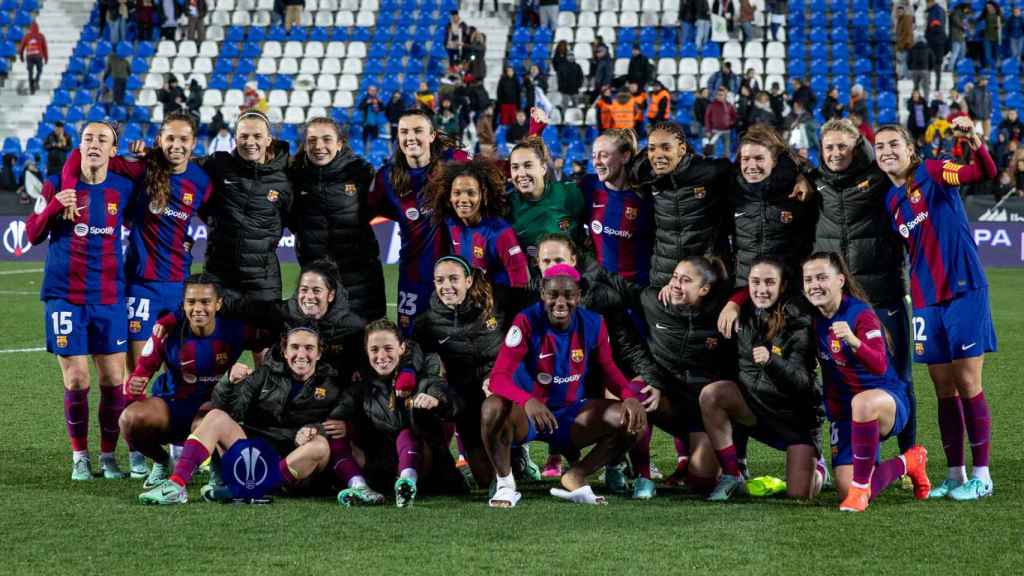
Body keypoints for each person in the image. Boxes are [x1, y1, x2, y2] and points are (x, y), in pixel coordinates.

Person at [874, 118, 998, 501]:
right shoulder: (890, 201)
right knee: (942, 389)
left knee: (967, 383)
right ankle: (956, 474)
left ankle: (983, 475)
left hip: (963, 291)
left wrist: (974, 142)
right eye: (879, 147)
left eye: (894, 144)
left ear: (910, 149)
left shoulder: (932, 170)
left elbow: (984, 172)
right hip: (925, 302)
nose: (887, 152)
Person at [137, 323, 370, 504]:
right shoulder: (264, 375)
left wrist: (314, 430)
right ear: (284, 349)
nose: (302, 354)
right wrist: (228, 382)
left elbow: (342, 427)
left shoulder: (333, 384)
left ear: (319, 353)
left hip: (299, 467)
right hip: (256, 457)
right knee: (216, 417)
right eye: (295, 347)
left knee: (320, 446)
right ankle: (176, 486)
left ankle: (252, 487)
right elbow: (231, 410)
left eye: (309, 348)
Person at [61, 112, 214, 381]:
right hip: (140, 284)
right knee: (138, 374)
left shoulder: (202, 181)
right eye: (170, 138)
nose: (176, 145)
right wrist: (69, 191)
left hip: (181, 285)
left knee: (181, 372)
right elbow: (79, 156)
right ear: (158, 140)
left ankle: (175, 421)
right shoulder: (141, 169)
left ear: (193, 145)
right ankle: (134, 422)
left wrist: (188, 241)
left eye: (183, 139)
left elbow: (210, 215)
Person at [481, 264, 647, 507]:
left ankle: (576, 476)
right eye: (553, 295)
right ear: (542, 294)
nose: (560, 302)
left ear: (578, 296)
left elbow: (608, 368)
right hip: (527, 416)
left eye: (568, 295)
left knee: (633, 421)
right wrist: (527, 400)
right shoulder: (526, 321)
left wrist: (628, 395)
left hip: (571, 415)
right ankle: (506, 485)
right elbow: (498, 377)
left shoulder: (593, 323)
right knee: (491, 407)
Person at [26, 121, 137, 480]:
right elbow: (31, 234)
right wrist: (52, 207)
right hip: (64, 297)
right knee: (76, 380)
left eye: (102, 139)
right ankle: (80, 457)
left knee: (112, 379)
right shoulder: (57, 185)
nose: (93, 144)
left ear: (112, 151)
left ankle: (108, 456)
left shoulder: (123, 187)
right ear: (80, 146)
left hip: (108, 297)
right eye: (88, 138)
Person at [808, 118, 917, 452]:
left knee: (897, 377)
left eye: (843, 146)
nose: (836, 153)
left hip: (883, 294)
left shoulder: (879, 178)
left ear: (857, 148)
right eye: (829, 147)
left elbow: (908, 169)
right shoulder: (813, 184)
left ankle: (910, 454)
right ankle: (849, 455)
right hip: (837, 305)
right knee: (838, 379)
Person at [801, 252, 931, 511]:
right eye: (808, 279)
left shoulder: (859, 314)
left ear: (839, 280)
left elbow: (880, 365)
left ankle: (859, 492)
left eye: (821, 277)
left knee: (862, 403)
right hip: (846, 415)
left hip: (885, 402)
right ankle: (910, 462)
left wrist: (853, 341)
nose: (814, 284)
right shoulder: (813, 318)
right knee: (844, 489)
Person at [701, 258, 824, 501]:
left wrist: (771, 361)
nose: (761, 289)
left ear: (783, 285)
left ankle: (819, 468)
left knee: (799, 495)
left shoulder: (799, 320)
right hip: (755, 411)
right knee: (712, 394)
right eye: (755, 282)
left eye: (769, 282)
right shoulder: (741, 314)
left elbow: (802, 384)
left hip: (794, 420)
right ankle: (732, 474)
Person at [120, 274, 257, 491]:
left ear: (218, 304)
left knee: (208, 419)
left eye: (205, 302)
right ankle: (163, 462)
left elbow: (272, 343)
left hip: (211, 410)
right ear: (182, 305)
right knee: (130, 418)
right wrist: (135, 388)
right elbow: (142, 372)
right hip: (173, 406)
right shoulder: (166, 331)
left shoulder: (236, 330)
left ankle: (217, 471)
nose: (198, 309)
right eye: (191, 302)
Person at [630, 257, 736, 497]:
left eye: (686, 280)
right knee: (637, 392)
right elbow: (618, 289)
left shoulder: (721, 313)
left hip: (702, 410)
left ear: (704, 289)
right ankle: (643, 478)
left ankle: (731, 468)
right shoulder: (654, 300)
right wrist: (654, 380)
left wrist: (735, 306)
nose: (676, 284)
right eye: (675, 277)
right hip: (667, 399)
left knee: (701, 483)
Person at [334, 319, 457, 507]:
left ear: (402, 348)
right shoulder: (361, 383)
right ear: (366, 352)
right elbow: (338, 411)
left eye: (388, 348)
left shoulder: (423, 368)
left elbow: (445, 394)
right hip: (382, 462)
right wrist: (316, 428)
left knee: (405, 433)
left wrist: (435, 399)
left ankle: (407, 484)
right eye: (374, 350)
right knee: (334, 432)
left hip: (424, 462)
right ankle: (360, 487)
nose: (381, 356)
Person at [370, 109, 469, 335]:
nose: (410, 137)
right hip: (413, 276)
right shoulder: (387, 177)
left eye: (417, 130)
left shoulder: (455, 161)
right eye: (404, 132)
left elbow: (496, 175)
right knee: (411, 342)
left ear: (432, 135)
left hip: (455, 273)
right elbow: (366, 214)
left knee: (457, 343)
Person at [413, 256, 504, 486]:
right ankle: (442, 469)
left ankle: (517, 452)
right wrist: (437, 394)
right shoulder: (426, 324)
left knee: (503, 469)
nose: (446, 287)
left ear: (468, 280)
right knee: (485, 480)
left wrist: (499, 376)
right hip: (462, 400)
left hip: (498, 392)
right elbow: (425, 370)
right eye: (440, 280)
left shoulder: (496, 305)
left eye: (453, 279)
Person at [289, 117, 386, 322]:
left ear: (340, 143)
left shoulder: (360, 171)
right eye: (312, 140)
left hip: (361, 282)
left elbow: (373, 210)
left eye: (326, 139)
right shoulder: (295, 175)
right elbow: (292, 220)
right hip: (317, 282)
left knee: (364, 345)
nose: (319, 146)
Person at [628, 121, 733, 290]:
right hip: (663, 277)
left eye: (666, 147)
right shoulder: (646, 177)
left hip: (703, 278)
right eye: (652, 148)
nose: (658, 154)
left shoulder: (710, 172)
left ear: (682, 149)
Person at [428, 159, 530, 311]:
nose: (463, 199)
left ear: (483, 195)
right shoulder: (450, 224)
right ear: (449, 197)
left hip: (498, 306)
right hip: (466, 304)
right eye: (457, 193)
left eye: (471, 193)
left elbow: (521, 280)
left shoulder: (500, 232)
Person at [581, 129, 653, 285]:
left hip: (638, 290)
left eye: (604, 155)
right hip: (602, 287)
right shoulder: (588, 185)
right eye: (594, 156)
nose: (596, 162)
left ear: (625, 156)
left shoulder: (647, 196)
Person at [507, 136, 586, 260]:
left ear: (543, 168)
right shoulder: (506, 205)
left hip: (569, 274)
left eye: (528, 165)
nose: (521, 174)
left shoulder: (570, 194)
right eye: (515, 167)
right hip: (529, 277)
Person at [704, 87, 737, 157]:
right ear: (716, 96)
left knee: (727, 149)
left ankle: (725, 163)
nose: (720, 96)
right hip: (715, 130)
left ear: (725, 96)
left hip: (726, 130)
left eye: (722, 95)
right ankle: (714, 163)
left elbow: (734, 116)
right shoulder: (711, 105)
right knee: (713, 149)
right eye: (718, 95)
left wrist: (730, 122)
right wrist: (708, 130)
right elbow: (707, 118)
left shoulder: (729, 105)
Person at [18, 20, 47, 95]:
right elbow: (44, 48)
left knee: (30, 73)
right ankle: (36, 81)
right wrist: (46, 58)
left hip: (29, 56)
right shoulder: (41, 36)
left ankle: (32, 89)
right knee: (39, 70)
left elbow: (21, 48)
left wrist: (21, 57)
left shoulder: (27, 36)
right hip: (38, 56)